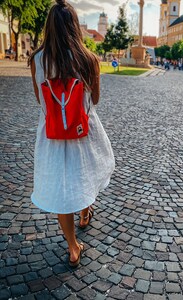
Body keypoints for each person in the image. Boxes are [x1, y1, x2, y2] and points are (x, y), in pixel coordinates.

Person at [28, 0, 115, 268]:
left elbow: (39, 102)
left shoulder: (38, 60)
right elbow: (95, 100)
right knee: (87, 174)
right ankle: (86, 211)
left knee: (62, 189)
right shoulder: (89, 59)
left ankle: (73, 246)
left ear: (49, 27)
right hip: (83, 131)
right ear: (75, 26)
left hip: (52, 135)